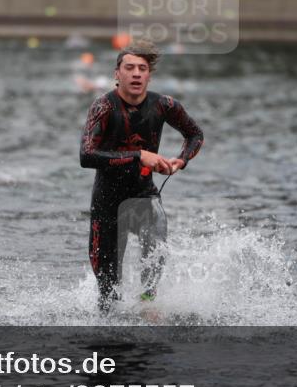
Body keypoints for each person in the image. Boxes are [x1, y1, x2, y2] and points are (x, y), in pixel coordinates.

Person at [79, 40, 204, 313]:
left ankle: (148, 307)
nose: (136, 74)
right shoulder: (103, 108)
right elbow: (86, 156)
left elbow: (195, 134)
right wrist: (139, 156)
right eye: (129, 68)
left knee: (153, 269)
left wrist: (179, 161)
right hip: (107, 205)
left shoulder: (164, 105)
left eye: (142, 69)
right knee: (108, 296)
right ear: (117, 74)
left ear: (149, 75)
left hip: (144, 197)